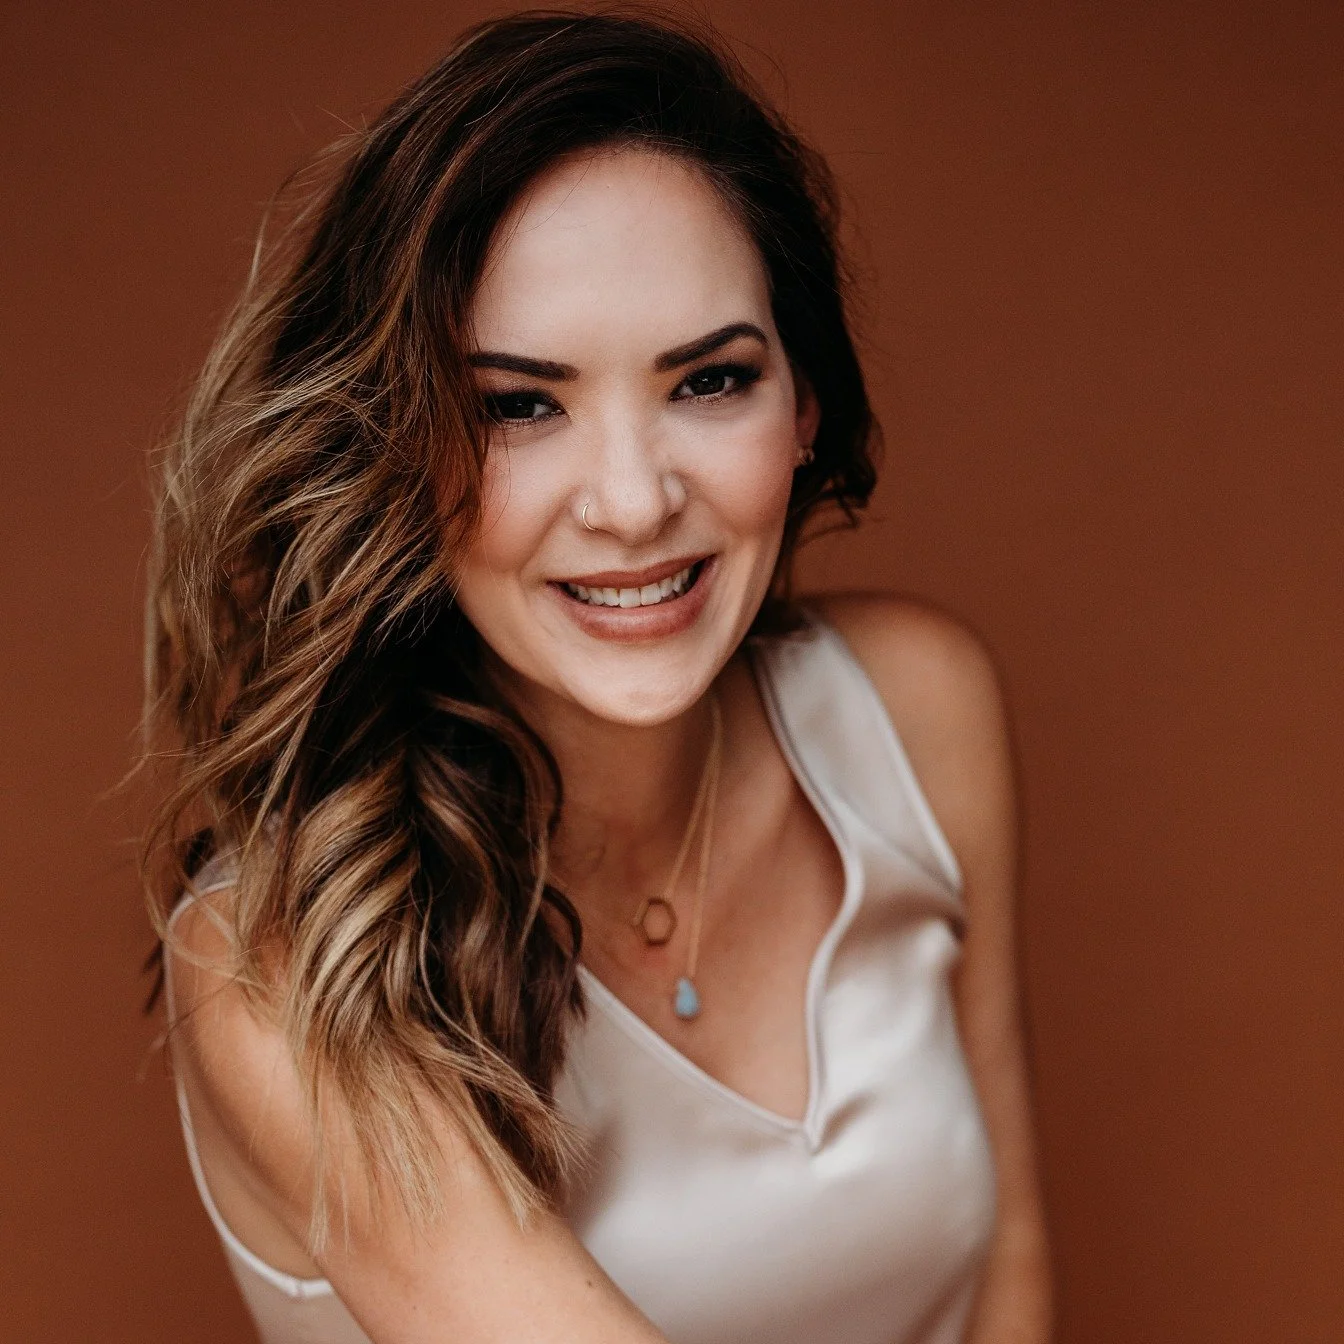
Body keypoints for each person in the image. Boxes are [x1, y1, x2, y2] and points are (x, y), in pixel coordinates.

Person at [143, 9, 1052, 1343]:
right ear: (395, 446)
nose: (632, 503)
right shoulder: (278, 958)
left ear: (803, 404)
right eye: (520, 405)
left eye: (710, 382)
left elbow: (1009, 1265)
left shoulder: (914, 710)